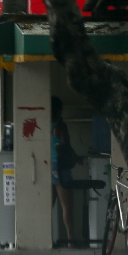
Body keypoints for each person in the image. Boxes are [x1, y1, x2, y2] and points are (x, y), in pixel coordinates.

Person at [51, 96, 74, 247]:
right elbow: (67, 147)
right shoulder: (60, 126)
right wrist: (76, 159)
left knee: (48, 205)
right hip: (61, 167)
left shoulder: (45, 124)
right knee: (66, 205)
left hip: (49, 166)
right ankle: (71, 240)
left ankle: (46, 238)